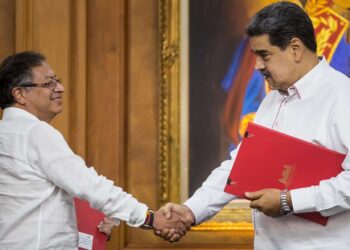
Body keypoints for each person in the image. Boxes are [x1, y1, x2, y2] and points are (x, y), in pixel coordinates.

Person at [158, 1, 350, 249]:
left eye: (264, 55)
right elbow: (239, 167)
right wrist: (191, 211)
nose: (257, 66)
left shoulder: (343, 98)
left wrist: (288, 201)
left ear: (295, 49)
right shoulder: (271, 100)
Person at [0, 51, 187, 249]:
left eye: (57, 80)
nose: (60, 88)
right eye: (48, 83)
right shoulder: (36, 133)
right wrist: (149, 218)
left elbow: (33, 199)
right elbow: (89, 185)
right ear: (19, 94)